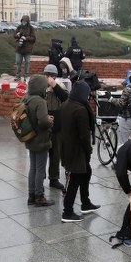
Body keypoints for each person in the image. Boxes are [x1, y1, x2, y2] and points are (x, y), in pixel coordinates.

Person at [59, 80, 100, 221]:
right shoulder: (81, 110)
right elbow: (84, 136)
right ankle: (67, 211)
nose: (88, 97)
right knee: (75, 179)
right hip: (77, 150)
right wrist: (88, 150)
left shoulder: (66, 104)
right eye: (87, 94)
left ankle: (86, 203)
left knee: (86, 172)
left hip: (67, 147)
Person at [23, 74, 54, 207]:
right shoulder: (40, 101)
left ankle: (31, 196)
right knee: (40, 168)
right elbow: (43, 121)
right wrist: (50, 120)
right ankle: (39, 196)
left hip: (29, 136)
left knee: (33, 167)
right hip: (40, 138)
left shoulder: (26, 98)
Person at [42, 64, 68, 189]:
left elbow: (65, 99)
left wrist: (55, 86)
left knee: (55, 153)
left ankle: (54, 178)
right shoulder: (39, 86)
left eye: (53, 76)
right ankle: (40, 178)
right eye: (48, 75)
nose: (50, 78)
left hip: (57, 125)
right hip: (42, 124)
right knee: (41, 153)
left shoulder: (60, 86)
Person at [14, 15, 36, 80]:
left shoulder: (31, 28)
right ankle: (18, 76)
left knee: (27, 62)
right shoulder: (19, 27)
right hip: (19, 48)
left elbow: (34, 38)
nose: (23, 22)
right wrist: (17, 35)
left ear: (27, 21)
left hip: (27, 49)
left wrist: (26, 38)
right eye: (23, 21)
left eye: (25, 21)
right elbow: (14, 35)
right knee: (18, 62)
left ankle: (26, 76)